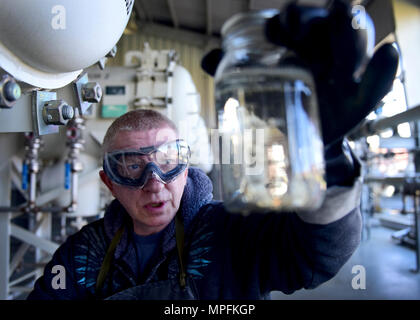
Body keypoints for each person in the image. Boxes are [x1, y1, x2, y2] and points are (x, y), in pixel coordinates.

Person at [28, 0, 398, 300]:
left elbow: (317, 254)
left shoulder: (234, 235)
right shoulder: (80, 256)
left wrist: (327, 154)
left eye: (168, 163)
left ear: (187, 167)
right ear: (108, 182)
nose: (154, 184)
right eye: (131, 167)